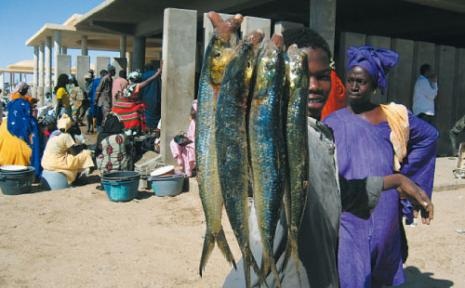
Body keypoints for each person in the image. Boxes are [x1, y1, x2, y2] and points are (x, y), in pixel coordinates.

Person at [222, 25, 434, 288]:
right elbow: (243, 147)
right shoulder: (273, 131)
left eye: (322, 76)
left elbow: (332, 194)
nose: (313, 86)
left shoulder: (322, 133)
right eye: (302, 74)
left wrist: (397, 181)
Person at [323, 46, 438, 287]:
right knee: (351, 272)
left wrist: (405, 179)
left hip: (385, 207)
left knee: (382, 269)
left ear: (374, 86)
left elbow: (429, 136)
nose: (354, 86)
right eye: (351, 80)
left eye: (362, 82)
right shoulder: (331, 122)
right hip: (352, 209)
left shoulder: (391, 117)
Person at [0, 82, 42, 177]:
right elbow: (27, 118)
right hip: (25, 133)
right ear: (26, 91)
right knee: (35, 147)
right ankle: (34, 174)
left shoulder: (11, 103)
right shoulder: (25, 104)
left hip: (9, 130)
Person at [41, 114, 94, 185]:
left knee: (72, 158)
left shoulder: (54, 133)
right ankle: (77, 179)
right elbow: (74, 152)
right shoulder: (66, 136)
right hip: (56, 163)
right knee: (86, 154)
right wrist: (82, 147)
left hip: (45, 162)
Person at [112, 68, 162, 132]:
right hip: (130, 106)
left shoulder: (128, 86)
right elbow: (147, 81)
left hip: (121, 106)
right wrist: (157, 74)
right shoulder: (136, 86)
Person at [169, 100, 196, 177]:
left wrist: (189, 141)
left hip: (195, 145)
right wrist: (183, 137)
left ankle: (188, 170)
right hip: (189, 141)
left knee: (189, 148)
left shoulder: (201, 123)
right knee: (173, 142)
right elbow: (190, 135)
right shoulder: (193, 122)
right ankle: (180, 162)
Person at [141, 61, 163, 129]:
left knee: (148, 115)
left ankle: (149, 128)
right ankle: (156, 128)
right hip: (157, 97)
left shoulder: (143, 75)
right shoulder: (157, 74)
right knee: (157, 114)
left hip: (146, 98)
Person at [87, 69, 106, 134]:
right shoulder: (106, 81)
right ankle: (100, 130)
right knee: (102, 116)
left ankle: (95, 129)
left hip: (94, 101)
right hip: (103, 101)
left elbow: (90, 91)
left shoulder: (95, 81)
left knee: (95, 115)